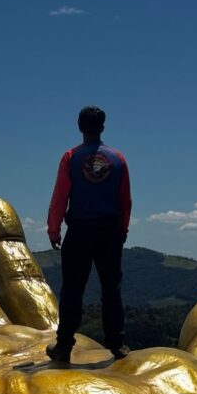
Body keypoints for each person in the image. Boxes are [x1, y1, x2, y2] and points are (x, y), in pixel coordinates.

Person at [46, 105, 131, 363]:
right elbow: (125, 199)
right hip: (109, 232)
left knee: (72, 290)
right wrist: (123, 229)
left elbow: (60, 196)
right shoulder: (118, 159)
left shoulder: (71, 157)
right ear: (103, 127)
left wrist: (54, 228)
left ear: (79, 126)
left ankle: (63, 347)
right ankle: (117, 345)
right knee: (111, 290)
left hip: (79, 231)